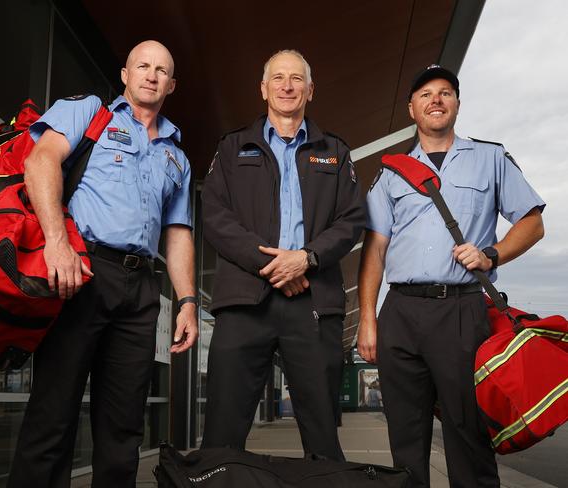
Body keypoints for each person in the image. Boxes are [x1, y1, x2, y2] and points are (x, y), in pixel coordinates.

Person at [7, 40, 198, 488]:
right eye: (142, 66)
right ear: (125, 76)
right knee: (53, 417)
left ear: (172, 84)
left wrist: (188, 299)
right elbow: (40, 163)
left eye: (162, 70)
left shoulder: (177, 155)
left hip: (141, 290)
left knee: (124, 429)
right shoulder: (91, 112)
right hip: (82, 272)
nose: (151, 75)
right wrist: (57, 242)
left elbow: (178, 233)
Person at [358, 64, 545, 487]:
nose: (435, 100)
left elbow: (532, 223)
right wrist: (367, 318)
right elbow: (375, 249)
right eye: (425, 95)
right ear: (412, 108)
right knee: (404, 437)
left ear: (457, 104)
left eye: (445, 92)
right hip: (401, 312)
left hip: (460, 311)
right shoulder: (392, 171)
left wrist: (491, 255)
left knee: (467, 433)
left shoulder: (490, 158)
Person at [200, 49, 365, 460]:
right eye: (278, 78)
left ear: (310, 90)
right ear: (263, 88)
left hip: (313, 302)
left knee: (323, 431)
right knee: (222, 429)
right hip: (244, 301)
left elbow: (350, 221)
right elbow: (216, 217)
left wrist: (305, 258)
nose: (287, 86)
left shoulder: (335, 151)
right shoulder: (233, 147)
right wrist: (274, 265)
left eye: (296, 79)